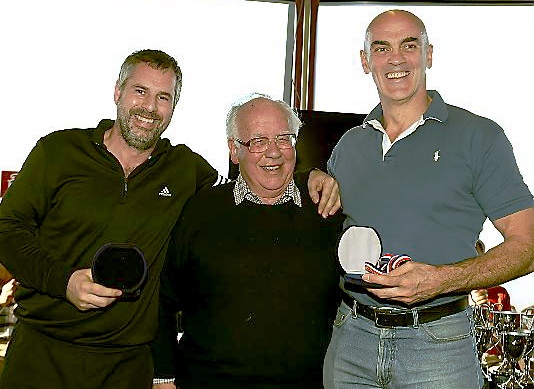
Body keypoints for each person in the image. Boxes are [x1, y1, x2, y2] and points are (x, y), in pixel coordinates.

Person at [0, 50, 340, 389]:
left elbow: (248, 183)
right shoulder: (58, 152)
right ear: (117, 91)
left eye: (163, 97)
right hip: (43, 350)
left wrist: (307, 176)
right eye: (140, 91)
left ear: (173, 106)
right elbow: (6, 230)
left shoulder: (185, 170)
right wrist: (64, 281)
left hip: (128, 365)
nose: (150, 107)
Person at [324, 9, 534, 389]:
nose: (396, 59)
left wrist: (442, 279)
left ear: (429, 55)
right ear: (365, 60)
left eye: (409, 45)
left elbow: (529, 245)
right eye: (381, 47)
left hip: (438, 344)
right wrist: (313, 178)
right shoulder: (349, 144)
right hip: (350, 338)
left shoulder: (479, 137)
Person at [151, 94, 343, 389]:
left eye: (283, 139)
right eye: (258, 141)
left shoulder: (325, 209)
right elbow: (162, 299)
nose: (273, 153)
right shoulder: (199, 210)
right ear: (234, 150)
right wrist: (163, 377)